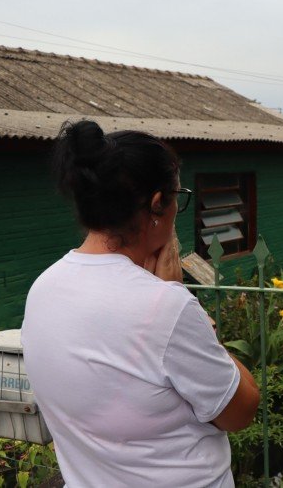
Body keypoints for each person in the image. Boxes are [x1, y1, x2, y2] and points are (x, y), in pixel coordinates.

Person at [21, 120, 259, 488]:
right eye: (179, 195)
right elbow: (241, 410)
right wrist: (176, 299)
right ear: (157, 205)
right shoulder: (166, 306)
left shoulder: (43, 289)